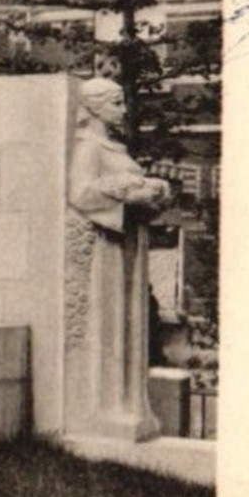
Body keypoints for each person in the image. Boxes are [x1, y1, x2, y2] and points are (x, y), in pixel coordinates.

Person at [67, 76, 173, 441]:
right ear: (95, 107)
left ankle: (129, 404)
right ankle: (107, 407)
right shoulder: (87, 147)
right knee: (110, 324)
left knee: (128, 322)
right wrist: (126, 193)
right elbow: (80, 194)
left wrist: (155, 191)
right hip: (107, 248)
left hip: (128, 243)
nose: (124, 109)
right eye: (116, 102)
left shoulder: (112, 147)